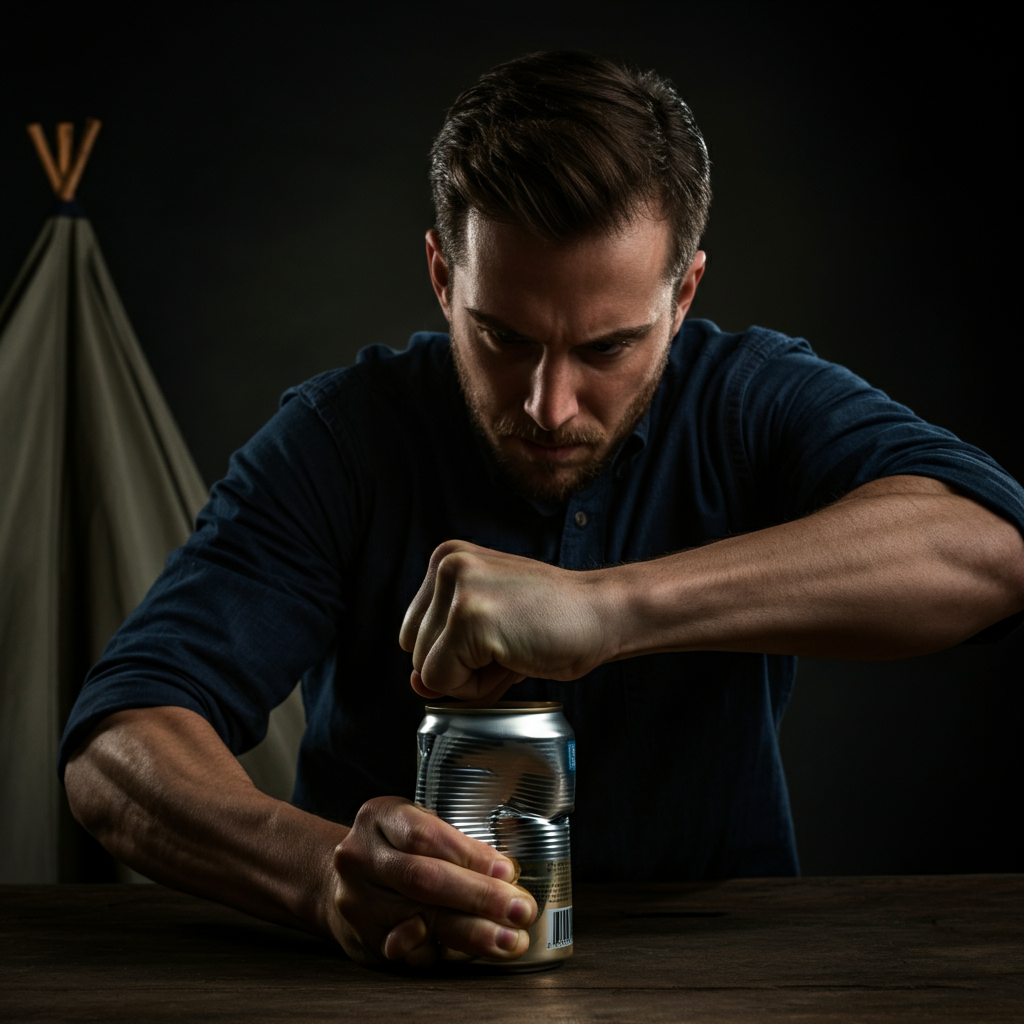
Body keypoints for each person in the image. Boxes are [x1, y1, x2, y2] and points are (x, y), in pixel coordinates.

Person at [60, 51, 1024, 970]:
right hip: (387, 986)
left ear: (682, 294)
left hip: (736, 975)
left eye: (608, 349)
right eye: (503, 338)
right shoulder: (339, 442)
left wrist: (609, 609)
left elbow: (995, 548)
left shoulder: (751, 399)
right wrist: (317, 878)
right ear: (444, 276)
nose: (549, 406)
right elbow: (118, 745)